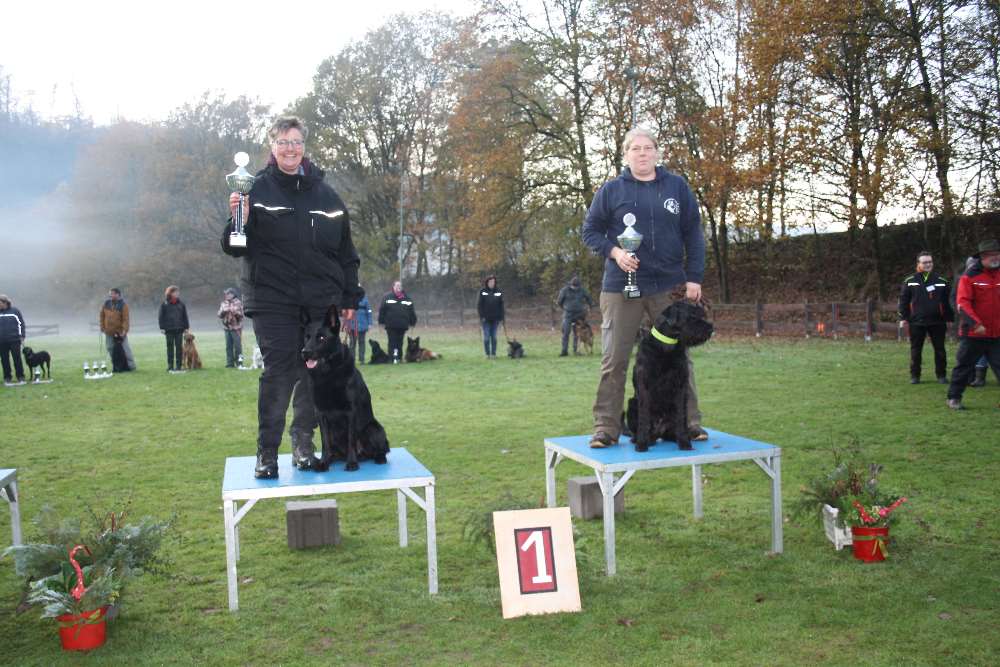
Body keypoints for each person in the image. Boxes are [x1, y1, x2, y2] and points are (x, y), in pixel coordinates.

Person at [222, 115, 362, 478]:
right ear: (272, 146)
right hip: (273, 301)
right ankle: (266, 454)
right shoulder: (256, 190)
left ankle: (303, 445)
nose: (290, 149)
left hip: (321, 301)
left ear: (304, 147)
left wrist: (349, 300)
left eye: (296, 142)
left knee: (313, 373)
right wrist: (238, 218)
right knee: (280, 372)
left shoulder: (328, 196)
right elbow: (235, 246)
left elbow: (347, 254)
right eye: (283, 142)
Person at [581, 126, 707, 448]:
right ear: (625, 155)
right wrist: (615, 252)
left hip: (669, 287)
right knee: (614, 360)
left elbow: (693, 232)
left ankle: (690, 424)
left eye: (647, 148)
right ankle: (606, 429)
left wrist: (693, 277)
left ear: (656, 152)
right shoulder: (611, 191)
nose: (642, 154)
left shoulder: (677, 187)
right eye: (635, 149)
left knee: (680, 358)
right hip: (620, 288)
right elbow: (590, 232)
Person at [946, 239, 1000, 410]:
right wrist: (976, 324)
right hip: (973, 334)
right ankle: (954, 398)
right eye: (992, 255)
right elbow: (962, 304)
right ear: (983, 257)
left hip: (997, 333)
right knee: (964, 367)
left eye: (997, 254)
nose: (996, 257)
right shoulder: (969, 277)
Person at [898, 251, 954, 384]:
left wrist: (950, 318)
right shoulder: (910, 281)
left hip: (938, 321)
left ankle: (941, 375)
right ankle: (915, 376)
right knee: (916, 350)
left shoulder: (942, 281)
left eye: (930, 262)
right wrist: (903, 318)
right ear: (918, 264)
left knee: (940, 350)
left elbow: (947, 302)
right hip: (916, 322)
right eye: (925, 262)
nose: (928, 264)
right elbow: (904, 301)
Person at [378, 280, 416, 364]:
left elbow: (411, 312)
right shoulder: (387, 297)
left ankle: (399, 357)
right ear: (393, 287)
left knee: (400, 342)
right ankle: (392, 358)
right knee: (392, 342)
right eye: (397, 286)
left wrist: (413, 323)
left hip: (402, 325)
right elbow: (382, 310)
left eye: (400, 286)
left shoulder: (407, 298)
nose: (399, 287)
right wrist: (381, 322)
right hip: (391, 325)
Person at [556, 276, 594, 356]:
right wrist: (565, 308)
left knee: (578, 334)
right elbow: (559, 301)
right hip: (568, 314)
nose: (576, 288)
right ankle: (564, 351)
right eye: (574, 287)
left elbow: (589, 298)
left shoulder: (582, 290)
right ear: (570, 285)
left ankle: (576, 351)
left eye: (577, 287)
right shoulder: (564, 290)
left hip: (580, 314)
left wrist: (590, 306)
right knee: (566, 332)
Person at [99, 288, 136, 371]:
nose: (110, 295)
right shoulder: (106, 303)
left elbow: (126, 319)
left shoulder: (123, 305)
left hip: (120, 332)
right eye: (110, 294)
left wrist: (124, 331)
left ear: (118, 294)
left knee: (125, 349)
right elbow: (102, 316)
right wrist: (102, 327)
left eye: (112, 293)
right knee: (110, 348)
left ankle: (131, 366)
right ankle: (116, 366)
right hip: (108, 332)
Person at [158, 285, 190, 372]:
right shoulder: (164, 304)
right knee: (170, 348)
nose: (178, 293)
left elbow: (185, 316)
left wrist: (186, 327)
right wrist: (162, 328)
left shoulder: (181, 304)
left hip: (179, 329)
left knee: (179, 348)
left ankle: (179, 366)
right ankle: (170, 366)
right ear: (170, 293)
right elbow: (161, 317)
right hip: (168, 330)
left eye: (178, 292)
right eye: (176, 292)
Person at [0, 294, 26, 385]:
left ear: (5, 302)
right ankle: (7, 377)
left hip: (14, 340)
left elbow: (21, 324)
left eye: (0, 303)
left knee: (17, 359)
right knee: (4, 360)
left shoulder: (15, 311)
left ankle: (20, 376)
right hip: (2, 341)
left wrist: (22, 335)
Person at [477, 276, 505, 359]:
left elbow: (501, 305)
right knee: (486, 338)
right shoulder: (483, 291)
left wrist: (502, 317)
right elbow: (479, 305)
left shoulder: (498, 292)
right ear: (487, 282)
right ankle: (487, 354)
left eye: (493, 282)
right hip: (485, 319)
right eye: (490, 282)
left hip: (495, 319)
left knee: (494, 337)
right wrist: (481, 316)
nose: (492, 283)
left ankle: (493, 354)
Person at [218, 288, 245, 368]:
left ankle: (239, 363)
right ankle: (230, 364)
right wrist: (223, 312)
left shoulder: (238, 303)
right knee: (228, 346)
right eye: (226, 294)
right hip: (227, 328)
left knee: (238, 346)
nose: (226, 295)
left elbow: (241, 315)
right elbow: (219, 314)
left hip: (236, 328)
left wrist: (234, 311)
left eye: (228, 294)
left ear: (233, 294)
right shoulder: (223, 303)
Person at [347, 292, 372, 364]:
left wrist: (370, 323)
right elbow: (346, 313)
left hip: (362, 325)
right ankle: (351, 360)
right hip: (352, 325)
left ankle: (362, 360)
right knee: (352, 343)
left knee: (362, 342)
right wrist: (346, 325)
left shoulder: (365, 300)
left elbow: (369, 312)